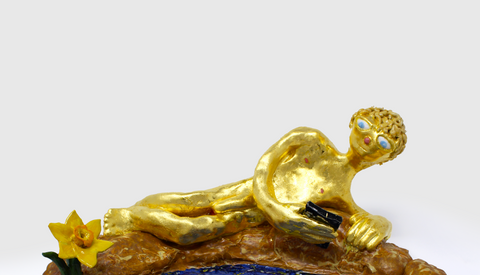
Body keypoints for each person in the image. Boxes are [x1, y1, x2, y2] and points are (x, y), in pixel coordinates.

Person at [103, 107, 407, 251]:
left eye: (382, 143)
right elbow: (265, 164)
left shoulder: (341, 197)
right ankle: (135, 215)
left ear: (386, 159)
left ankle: (131, 219)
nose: (368, 139)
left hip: (252, 217)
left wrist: (382, 224)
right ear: (352, 120)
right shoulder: (310, 139)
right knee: (186, 201)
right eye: (365, 125)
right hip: (251, 191)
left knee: (191, 231)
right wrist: (277, 212)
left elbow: (362, 219)